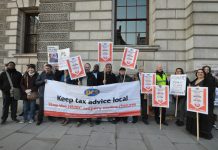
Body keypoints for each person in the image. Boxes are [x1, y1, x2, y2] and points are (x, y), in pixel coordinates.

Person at [186, 69, 215, 139]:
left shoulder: (207, 81)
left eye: (201, 72)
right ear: (196, 74)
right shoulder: (194, 80)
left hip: (204, 103)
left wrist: (201, 88)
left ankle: (203, 132)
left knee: (203, 117)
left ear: (204, 73)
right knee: (194, 116)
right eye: (198, 72)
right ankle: (193, 130)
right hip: (195, 102)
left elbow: (211, 90)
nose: (200, 73)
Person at [76, 63, 98, 127]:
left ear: (90, 68)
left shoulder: (92, 75)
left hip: (89, 94)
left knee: (88, 108)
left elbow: (95, 84)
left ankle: (89, 120)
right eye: (85, 67)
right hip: (81, 94)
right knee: (80, 107)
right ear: (83, 67)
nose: (87, 68)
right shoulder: (80, 75)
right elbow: (75, 85)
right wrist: (78, 83)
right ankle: (79, 120)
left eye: (88, 67)